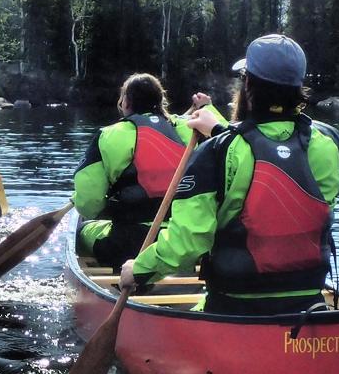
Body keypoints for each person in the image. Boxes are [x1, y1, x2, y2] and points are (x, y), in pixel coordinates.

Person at [119, 34, 339, 315]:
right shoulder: (327, 145)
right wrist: (218, 130)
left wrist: (138, 270)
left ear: (248, 84)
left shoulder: (218, 152)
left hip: (234, 305)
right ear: (298, 87)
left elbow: (188, 242)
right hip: (307, 302)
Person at [73, 73, 225, 268]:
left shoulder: (109, 135)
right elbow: (230, 140)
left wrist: (103, 206)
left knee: (82, 232)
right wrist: (208, 108)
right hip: (184, 241)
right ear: (161, 101)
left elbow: (88, 205)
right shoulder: (190, 128)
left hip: (130, 243)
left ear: (126, 102)